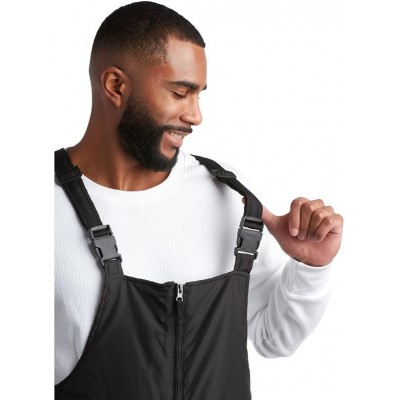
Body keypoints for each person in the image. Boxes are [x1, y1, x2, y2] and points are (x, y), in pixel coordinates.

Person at [54, 1, 343, 399]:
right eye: (180, 93)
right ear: (116, 86)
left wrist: (311, 267)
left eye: (198, 95)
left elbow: (272, 338)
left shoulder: (226, 194)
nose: (195, 116)